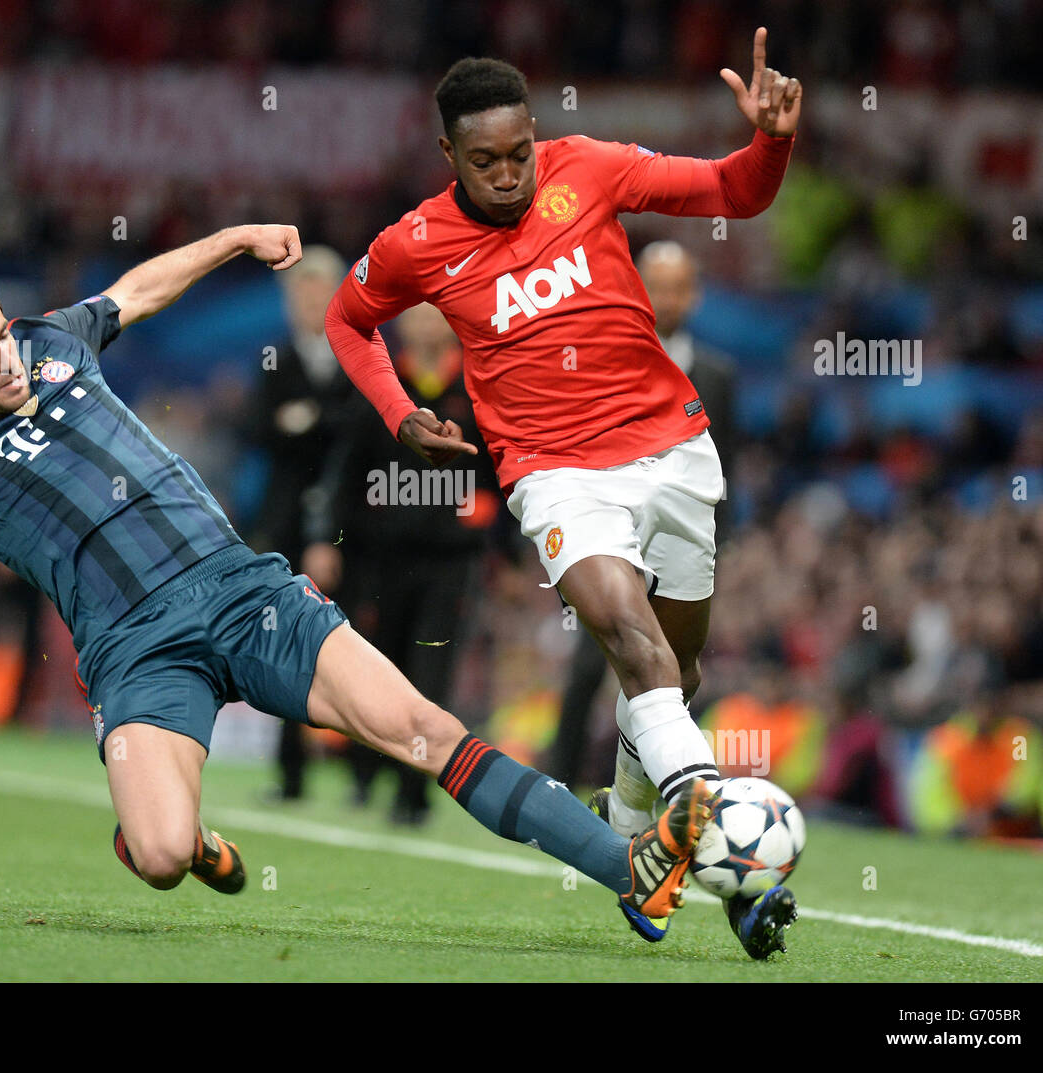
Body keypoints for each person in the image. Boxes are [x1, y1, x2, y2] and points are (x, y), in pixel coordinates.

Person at [0, 225, 713, 934]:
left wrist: (232, 239)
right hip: (135, 653)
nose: (5, 356)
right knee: (164, 853)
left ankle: (624, 867)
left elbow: (138, 289)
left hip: (245, 592)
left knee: (425, 729)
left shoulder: (51, 340)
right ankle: (181, 835)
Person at [324, 28, 801, 957]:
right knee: (633, 643)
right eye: (484, 160)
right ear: (448, 156)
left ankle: (629, 836)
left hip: (672, 449)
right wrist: (398, 411)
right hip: (554, 474)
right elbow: (349, 321)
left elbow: (734, 192)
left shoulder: (592, 168)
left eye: (518, 153)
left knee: (674, 673)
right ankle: (714, 837)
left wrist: (770, 141)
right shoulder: (414, 243)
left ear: (538, 136)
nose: (507, 175)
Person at [548, 241, 739, 789]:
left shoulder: (718, 376)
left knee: (679, 670)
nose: (666, 299)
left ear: (695, 296)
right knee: (594, 664)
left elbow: (730, 465)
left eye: (678, 288)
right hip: (608, 531)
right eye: (655, 285)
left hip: (683, 536)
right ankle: (563, 778)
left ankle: (648, 789)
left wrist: (727, 538)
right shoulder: (599, 362)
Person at [303, 302, 501, 824]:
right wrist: (327, 539)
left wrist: (497, 539)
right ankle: (364, 776)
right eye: (414, 317)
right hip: (380, 559)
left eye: (434, 316)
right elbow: (346, 469)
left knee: (432, 673)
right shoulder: (381, 385)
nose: (424, 326)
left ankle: (414, 791)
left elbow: (502, 467)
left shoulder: (480, 385)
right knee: (375, 668)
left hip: (451, 563)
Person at [245, 245, 360, 802]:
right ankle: (291, 773)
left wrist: (306, 420)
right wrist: (317, 423)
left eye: (319, 291)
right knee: (287, 645)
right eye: (301, 292)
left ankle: (366, 774)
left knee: (360, 642)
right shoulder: (275, 357)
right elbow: (258, 429)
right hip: (285, 522)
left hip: (353, 522)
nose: (309, 302)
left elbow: (360, 431)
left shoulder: (360, 354)